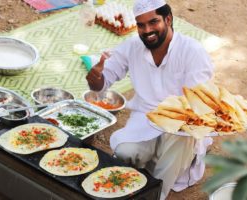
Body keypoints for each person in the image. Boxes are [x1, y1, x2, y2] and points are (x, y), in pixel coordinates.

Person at [86, 0, 214, 199]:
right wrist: (95, 78)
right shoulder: (133, 47)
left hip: (181, 127)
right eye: (141, 25)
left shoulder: (192, 52)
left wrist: (177, 121)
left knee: (183, 140)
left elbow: (197, 105)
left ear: (168, 19)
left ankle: (155, 195)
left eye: (153, 22)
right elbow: (101, 83)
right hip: (144, 122)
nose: (147, 30)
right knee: (124, 154)